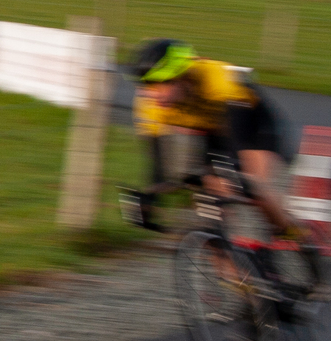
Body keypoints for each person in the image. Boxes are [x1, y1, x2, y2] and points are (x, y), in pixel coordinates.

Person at [121, 38, 295, 236]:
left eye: (159, 84)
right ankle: (232, 259)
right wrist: (151, 196)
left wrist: (235, 173)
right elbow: (158, 165)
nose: (151, 94)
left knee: (253, 186)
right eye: (145, 85)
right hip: (213, 132)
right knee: (210, 213)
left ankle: (291, 232)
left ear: (184, 77)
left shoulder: (218, 79)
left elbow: (238, 141)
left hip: (251, 124)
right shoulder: (150, 107)